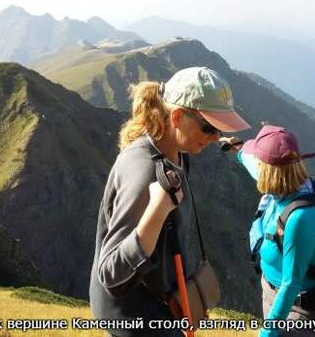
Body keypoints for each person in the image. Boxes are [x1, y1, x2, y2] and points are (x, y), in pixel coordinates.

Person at [89, 66, 250, 337]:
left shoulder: (176, 154)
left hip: (160, 306)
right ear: (176, 117)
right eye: (209, 127)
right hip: (136, 318)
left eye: (220, 129)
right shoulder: (144, 172)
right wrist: (158, 209)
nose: (214, 138)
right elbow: (112, 275)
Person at [221, 125, 315, 337]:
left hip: (296, 310)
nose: (256, 165)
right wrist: (238, 149)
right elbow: (250, 161)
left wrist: (268, 332)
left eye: (259, 162)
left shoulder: (301, 218)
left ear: (269, 171)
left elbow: (292, 284)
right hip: (271, 295)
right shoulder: (280, 187)